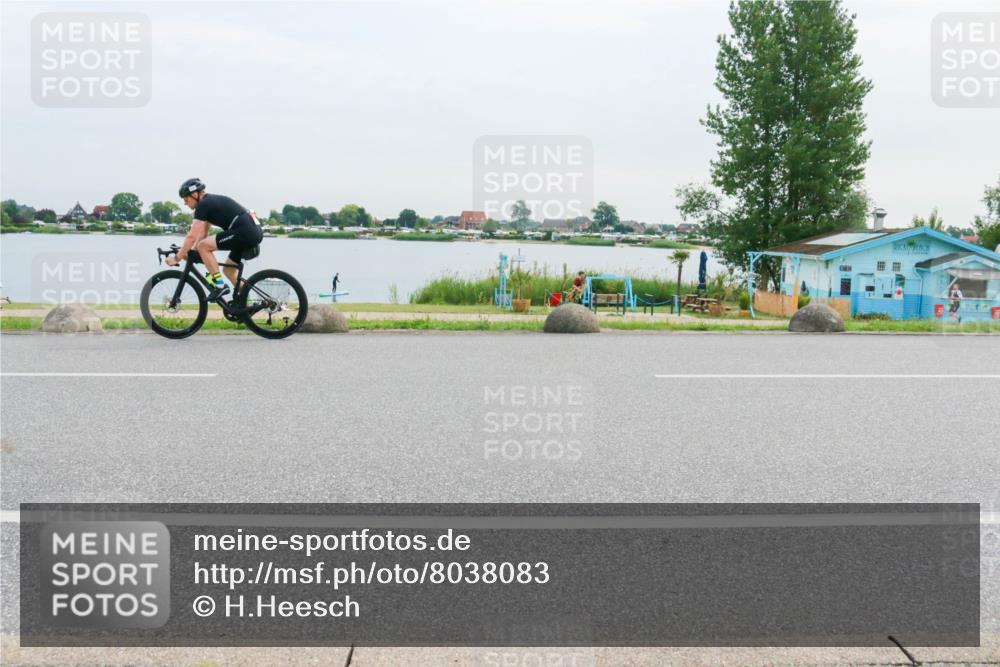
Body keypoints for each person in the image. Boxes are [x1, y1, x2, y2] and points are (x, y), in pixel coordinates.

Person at [166, 178, 263, 300]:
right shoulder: (209, 203)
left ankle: (220, 286)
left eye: (186, 199)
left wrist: (177, 258)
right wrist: (191, 251)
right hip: (250, 231)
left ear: (194, 194)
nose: (185, 203)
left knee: (203, 246)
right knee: (228, 271)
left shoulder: (203, 205)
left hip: (244, 231)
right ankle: (249, 303)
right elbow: (203, 234)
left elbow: (192, 236)